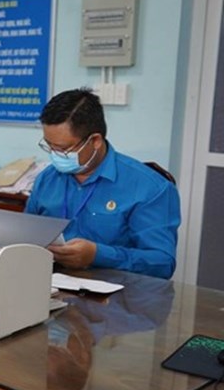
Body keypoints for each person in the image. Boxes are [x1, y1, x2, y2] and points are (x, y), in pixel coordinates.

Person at [25, 88, 181, 279]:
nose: (54, 155)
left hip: (119, 297)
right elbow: (26, 236)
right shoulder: (47, 178)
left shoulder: (150, 187)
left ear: (95, 140)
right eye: (49, 146)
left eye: (63, 149)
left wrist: (98, 255)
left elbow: (162, 263)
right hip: (50, 285)